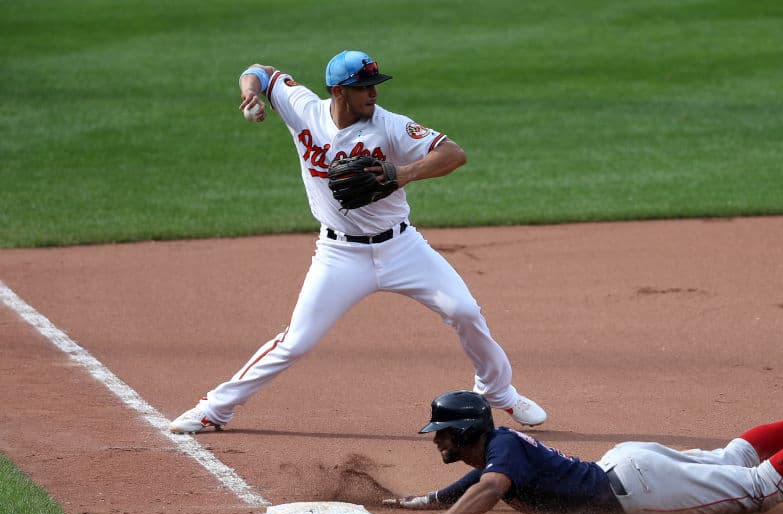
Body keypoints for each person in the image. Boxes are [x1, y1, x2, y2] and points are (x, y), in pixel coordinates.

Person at [170, 50, 546, 434]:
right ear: (338, 91)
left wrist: (402, 173)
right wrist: (251, 92)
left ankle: (498, 391)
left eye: (374, 85)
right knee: (296, 342)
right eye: (363, 87)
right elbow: (261, 72)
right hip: (339, 254)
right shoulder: (303, 109)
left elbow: (453, 154)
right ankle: (215, 408)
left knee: (465, 311)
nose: (373, 94)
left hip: (401, 248)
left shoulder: (390, 126)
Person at [382, 388, 783, 514]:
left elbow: (490, 486)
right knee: (733, 457)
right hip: (629, 465)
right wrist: (426, 501)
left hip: (637, 492)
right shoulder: (499, 451)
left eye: (444, 433)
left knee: (760, 488)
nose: (438, 441)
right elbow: (477, 481)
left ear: (468, 431)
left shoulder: (502, 458)